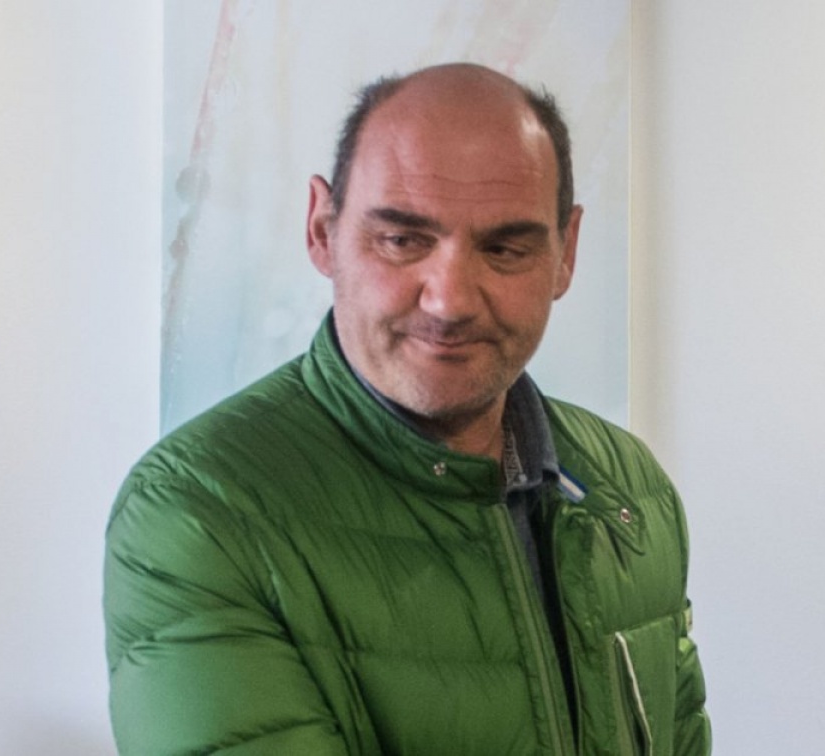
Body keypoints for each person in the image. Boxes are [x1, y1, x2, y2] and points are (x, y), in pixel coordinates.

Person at [104, 62, 711, 755]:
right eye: (401, 240)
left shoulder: (630, 488)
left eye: (505, 248)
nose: (449, 301)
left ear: (565, 252)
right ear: (322, 229)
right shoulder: (199, 511)